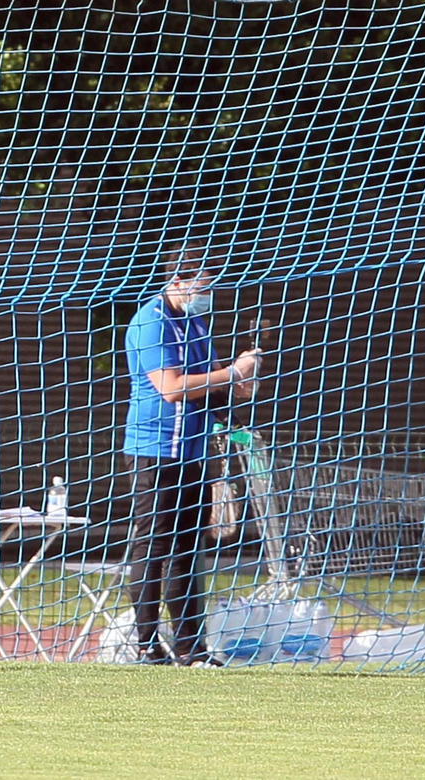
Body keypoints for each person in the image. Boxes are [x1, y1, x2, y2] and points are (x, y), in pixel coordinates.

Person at [122, 243, 261, 666]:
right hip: (155, 451)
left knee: (187, 550)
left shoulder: (197, 324)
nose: (209, 290)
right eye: (203, 282)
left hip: (195, 454)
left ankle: (191, 649)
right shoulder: (151, 322)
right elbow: (171, 386)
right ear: (179, 280)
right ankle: (147, 644)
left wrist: (240, 385)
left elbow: (211, 387)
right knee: (152, 546)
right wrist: (232, 372)